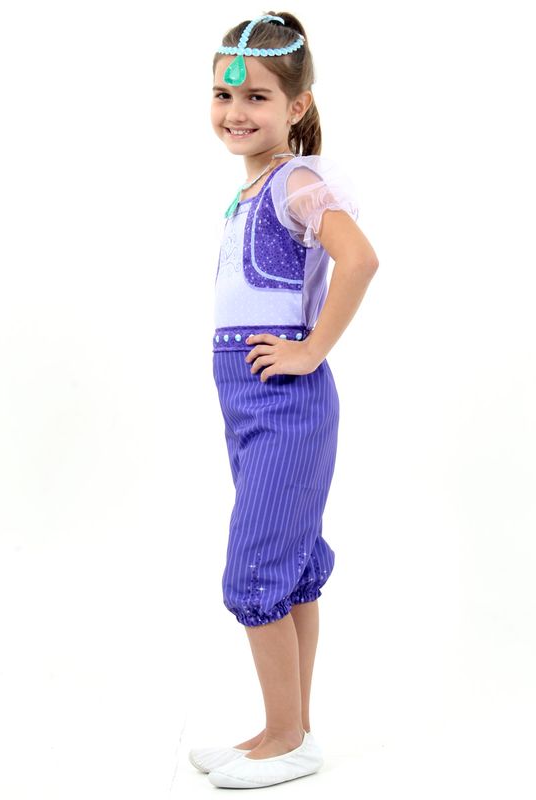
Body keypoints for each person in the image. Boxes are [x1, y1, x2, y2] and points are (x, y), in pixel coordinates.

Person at [189, 12, 379, 789]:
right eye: (223, 94)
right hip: (250, 404)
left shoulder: (296, 181)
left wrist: (310, 349)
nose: (236, 110)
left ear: (296, 106)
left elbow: (359, 260)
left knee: (256, 568)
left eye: (257, 96)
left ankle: (291, 740)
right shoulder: (253, 190)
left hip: (286, 403)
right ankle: (282, 728)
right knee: (289, 568)